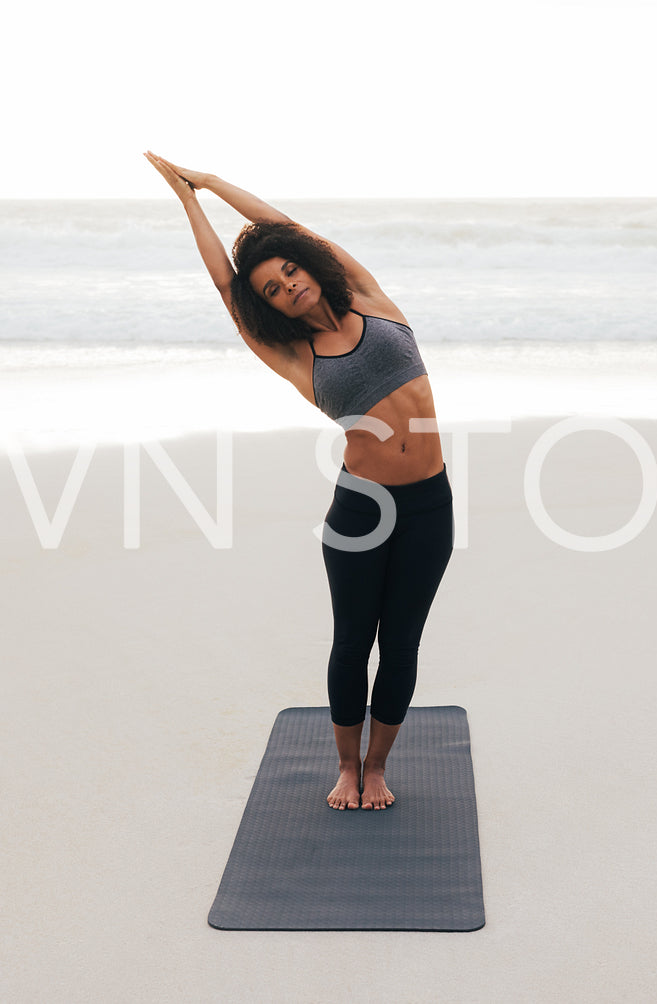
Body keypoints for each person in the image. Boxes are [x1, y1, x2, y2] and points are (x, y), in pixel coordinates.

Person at [145, 152, 453, 811]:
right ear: (270, 308)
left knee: (400, 643)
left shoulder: (369, 298)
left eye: (290, 271)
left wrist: (211, 181)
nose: (289, 285)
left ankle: (379, 767)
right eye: (274, 289)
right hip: (361, 508)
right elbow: (227, 288)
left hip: (430, 503)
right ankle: (347, 769)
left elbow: (288, 227)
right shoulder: (290, 353)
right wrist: (186, 203)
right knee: (352, 640)